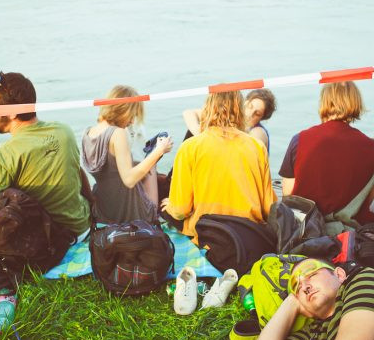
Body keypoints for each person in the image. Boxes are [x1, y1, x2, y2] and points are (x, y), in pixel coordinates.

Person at [0, 71, 91, 237]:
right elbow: (76, 171)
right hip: (82, 226)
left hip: (55, 241)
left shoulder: (4, 156)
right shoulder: (63, 131)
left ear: (12, 112)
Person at [162, 90, 276, 245]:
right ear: (240, 110)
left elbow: (181, 210)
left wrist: (171, 207)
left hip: (206, 233)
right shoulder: (257, 146)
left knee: (166, 208)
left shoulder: (190, 147)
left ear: (208, 109)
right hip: (247, 232)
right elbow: (269, 207)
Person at [247, 258, 374, 340]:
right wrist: (290, 302)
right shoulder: (312, 334)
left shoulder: (363, 278)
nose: (305, 287)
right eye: (297, 287)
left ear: (339, 275)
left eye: (311, 275)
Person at [279, 81, 374, 224]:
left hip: (305, 233)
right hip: (351, 235)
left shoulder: (299, 140)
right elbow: (370, 202)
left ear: (325, 102)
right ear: (356, 102)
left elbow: (288, 195)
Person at [81, 85, 173, 224]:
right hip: (131, 214)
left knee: (141, 163)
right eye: (132, 116)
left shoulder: (87, 133)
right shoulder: (118, 133)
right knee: (150, 164)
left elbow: (110, 170)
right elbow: (129, 180)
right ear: (122, 110)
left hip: (104, 212)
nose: (131, 121)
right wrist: (158, 151)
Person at [182, 88, 276, 152]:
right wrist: (200, 135)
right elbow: (188, 113)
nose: (250, 114)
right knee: (201, 124)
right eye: (249, 107)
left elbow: (245, 154)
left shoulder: (258, 132)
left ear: (262, 118)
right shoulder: (233, 117)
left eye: (257, 114)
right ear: (245, 102)